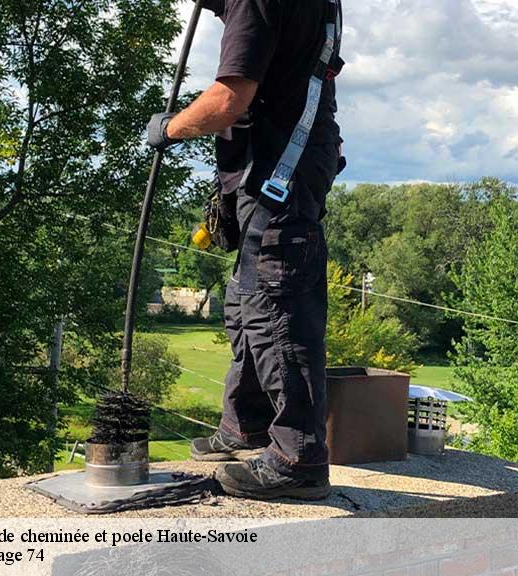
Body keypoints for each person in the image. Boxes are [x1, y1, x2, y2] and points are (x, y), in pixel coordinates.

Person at [146, 0, 344, 500]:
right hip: (287, 172)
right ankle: (247, 424)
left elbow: (228, 99)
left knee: (277, 311)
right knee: (246, 300)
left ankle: (297, 458)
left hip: (280, 178)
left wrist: (168, 129)